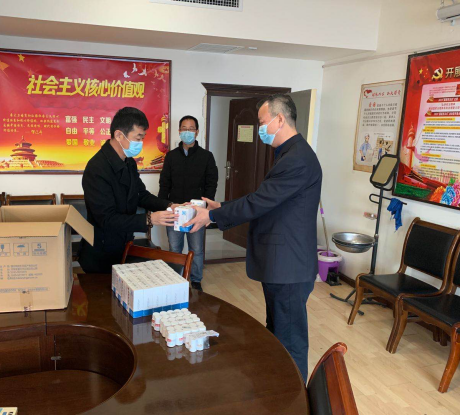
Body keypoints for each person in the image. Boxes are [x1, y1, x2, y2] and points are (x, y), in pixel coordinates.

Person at [184, 94, 322, 382]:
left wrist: (212, 216)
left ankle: (295, 394)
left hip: (289, 265)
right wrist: (222, 207)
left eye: (262, 122)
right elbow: (265, 199)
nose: (260, 128)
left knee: (290, 340)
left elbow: (260, 201)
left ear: (279, 119)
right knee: (278, 332)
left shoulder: (297, 158)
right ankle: (277, 387)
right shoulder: (288, 153)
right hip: (281, 263)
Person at [79, 107, 178, 274]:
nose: (140, 143)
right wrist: (149, 219)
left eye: (142, 138)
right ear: (119, 135)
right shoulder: (97, 169)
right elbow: (107, 219)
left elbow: (141, 195)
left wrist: (169, 205)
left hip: (124, 246)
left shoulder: (129, 162)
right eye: (137, 138)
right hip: (101, 252)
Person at [158, 115, 218, 291]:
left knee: (196, 248)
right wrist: (164, 205)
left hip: (196, 211)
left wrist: (204, 207)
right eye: (184, 128)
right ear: (179, 131)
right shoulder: (171, 156)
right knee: (174, 247)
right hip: (175, 209)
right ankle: (175, 280)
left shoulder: (206, 156)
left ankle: (196, 280)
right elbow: (164, 183)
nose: (187, 132)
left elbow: (211, 183)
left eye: (191, 129)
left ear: (197, 132)